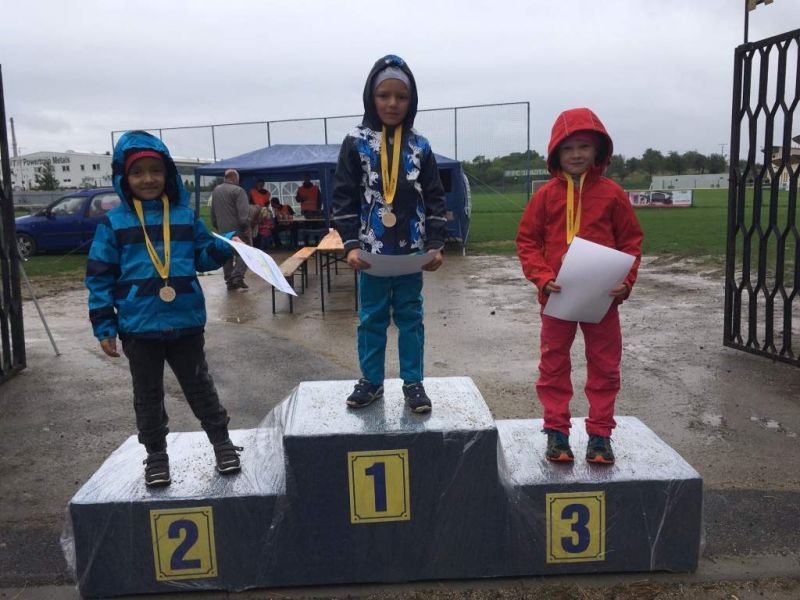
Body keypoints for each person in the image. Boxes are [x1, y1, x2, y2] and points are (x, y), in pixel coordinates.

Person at [85, 130, 243, 487]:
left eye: (156, 170)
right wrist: (104, 325)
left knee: (200, 387)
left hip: (185, 322)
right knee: (147, 396)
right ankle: (156, 455)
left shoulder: (185, 216)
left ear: (168, 174)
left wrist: (223, 248)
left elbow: (202, 257)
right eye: (138, 172)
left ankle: (222, 443)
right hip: (138, 328)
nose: (148, 179)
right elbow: (99, 276)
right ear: (124, 178)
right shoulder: (113, 223)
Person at [515, 107, 643, 465]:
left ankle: (600, 435)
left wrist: (626, 281)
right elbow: (527, 241)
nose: (575, 154)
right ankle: (557, 431)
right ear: (555, 152)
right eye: (568, 148)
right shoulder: (544, 196)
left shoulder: (613, 194)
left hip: (602, 300)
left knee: (605, 366)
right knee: (553, 365)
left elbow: (631, 241)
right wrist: (542, 278)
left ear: (598, 150)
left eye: (584, 146)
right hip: (557, 299)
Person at [332, 54, 446, 413]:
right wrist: (350, 244)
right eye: (384, 95)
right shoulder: (355, 141)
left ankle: (413, 382)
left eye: (401, 96)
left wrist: (435, 244)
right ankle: (371, 381)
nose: (393, 103)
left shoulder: (420, 146)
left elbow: (435, 196)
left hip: (412, 252)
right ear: (371, 96)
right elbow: (343, 195)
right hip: (371, 253)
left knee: (411, 316)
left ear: (412, 101)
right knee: (372, 318)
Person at [211, 169, 250, 290]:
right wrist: (246, 228)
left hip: (222, 230)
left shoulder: (216, 190)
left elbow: (212, 212)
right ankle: (237, 277)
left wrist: (217, 225)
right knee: (245, 253)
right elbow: (243, 215)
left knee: (227, 256)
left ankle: (229, 281)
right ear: (235, 178)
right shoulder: (238, 191)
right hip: (237, 230)